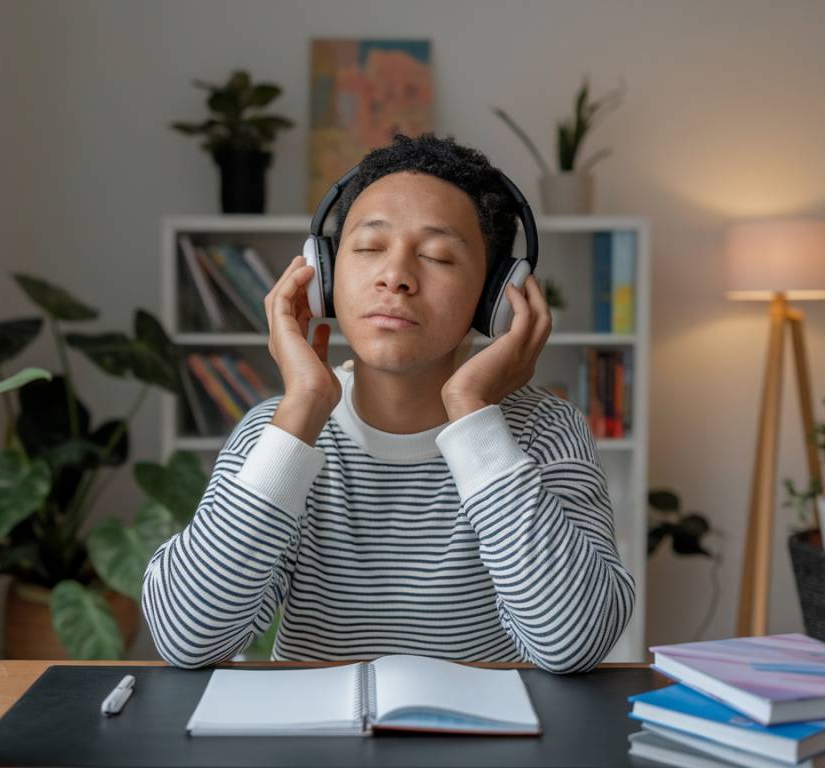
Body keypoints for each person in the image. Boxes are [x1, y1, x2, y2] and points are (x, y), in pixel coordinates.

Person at [142, 133, 635, 673]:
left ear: (495, 296)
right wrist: (303, 408)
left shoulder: (543, 431)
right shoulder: (279, 430)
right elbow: (187, 639)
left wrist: (472, 412)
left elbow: (576, 645)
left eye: (438, 256)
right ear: (321, 279)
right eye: (370, 248)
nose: (395, 276)